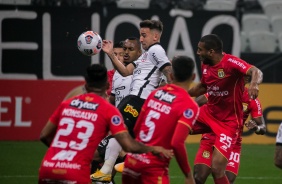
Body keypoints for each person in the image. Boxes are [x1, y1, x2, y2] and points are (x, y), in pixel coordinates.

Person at [38, 64, 173, 184]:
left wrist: (63, 153)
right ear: (108, 86)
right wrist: (153, 149)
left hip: (48, 168)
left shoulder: (67, 104)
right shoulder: (109, 111)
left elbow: (44, 135)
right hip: (76, 172)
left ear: (85, 85)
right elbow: (128, 145)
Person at [188, 34, 263, 184]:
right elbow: (203, 87)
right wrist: (183, 94)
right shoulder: (206, 64)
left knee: (217, 169)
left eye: (199, 50)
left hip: (227, 123)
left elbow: (256, 71)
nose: (197, 53)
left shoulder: (231, 63)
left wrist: (254, 84)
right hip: (208, 114)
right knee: (178, 123)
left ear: (211, 52)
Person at [122, 56, 199, 184]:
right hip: (153, 168)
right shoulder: (189, 105)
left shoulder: (154, 94)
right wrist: (188, 175)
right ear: (193, 77)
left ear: (171, 75)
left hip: (131, 163)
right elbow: (177, 143)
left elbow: (136, 128)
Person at [102, 19, 172, 138]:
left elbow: (169, 72)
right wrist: (110, 53)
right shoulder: (146, 54)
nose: (141, 39)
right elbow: (125, 71)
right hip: (135, 101)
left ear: (155, 36)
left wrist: (174, 99)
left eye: (144, 35)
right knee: (126, 142)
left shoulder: (156, 50)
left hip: (138, 101)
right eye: (140, 35)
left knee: (114, 137)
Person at [193, 76, 266, 184]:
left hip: (232, 142)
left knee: (228, 179)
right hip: (210, 137)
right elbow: (197, 103)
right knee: (199, 177)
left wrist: (256, 128)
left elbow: (263, 128)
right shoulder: (222, 91)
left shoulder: (251, 99)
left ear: (246, 80)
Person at [91, 37, 143, 183]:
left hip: (134, 127)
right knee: (97, 158)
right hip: (119, 124)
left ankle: (132, 160)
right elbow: (113, 100)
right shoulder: (117, 76)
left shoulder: (143, 71)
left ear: (140, 53)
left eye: (129, 50)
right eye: (123, 50)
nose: (125, 53)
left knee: (105, 156)